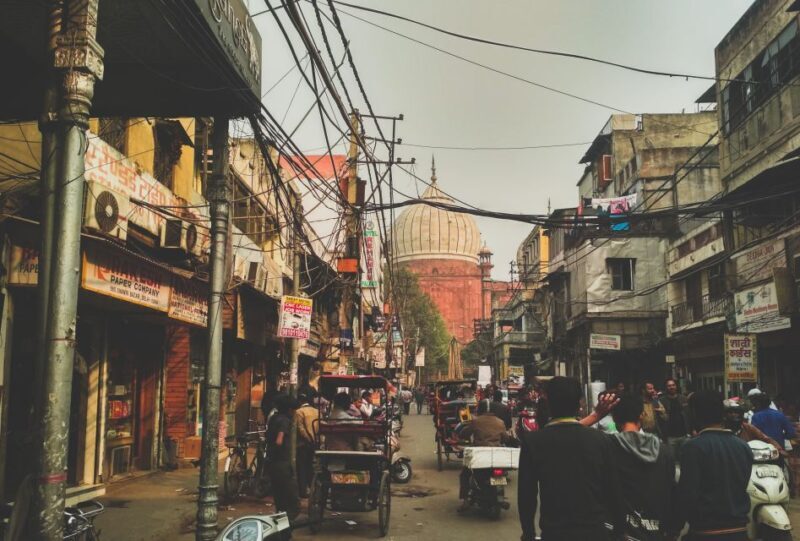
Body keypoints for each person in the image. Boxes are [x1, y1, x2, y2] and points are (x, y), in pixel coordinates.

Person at [518, 376, 624, 541]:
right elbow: (614, 491)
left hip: (555, 533)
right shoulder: (601, 440)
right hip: (595, 532)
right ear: (580, 404)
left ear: (548, 402)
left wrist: (528, 534)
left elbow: (526, 495)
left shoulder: (533, 442)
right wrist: (619, 531)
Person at [672, 390, 753, 540]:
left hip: (705, 532)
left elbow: (687, 494)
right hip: (739, 532)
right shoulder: (743, 447)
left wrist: (674, 529)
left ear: (695, 414)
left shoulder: (693, 448)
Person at [610, 393, 675, 541]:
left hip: (619, 532)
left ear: (614, 418)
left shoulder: (607, 447)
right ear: (641, 415)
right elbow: (671, 491)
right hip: (656, 531)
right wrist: (673, 530)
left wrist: (596, 415)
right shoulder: (664, 451)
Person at [457, 398, 510, 511]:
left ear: (480, 409)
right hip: (496, 456)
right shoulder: (500, 422)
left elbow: (465, 433)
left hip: (479, 455)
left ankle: (465, 500)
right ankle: (500, 496)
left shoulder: (476, 421)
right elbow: (505, 438)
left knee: (465, 474)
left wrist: (462, 434)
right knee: (500, 474)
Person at [266, 394, 300, 520]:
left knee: (280, 501)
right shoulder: (285, 421)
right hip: (282, 464)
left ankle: (281, 528)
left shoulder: (273, 418)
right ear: (289, 409)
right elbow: (279, 440)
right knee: (293, 503)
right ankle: (286, 527)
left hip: (273, 463)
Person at [294, 390, 319, 498]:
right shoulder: (316, 411)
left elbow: (300, 428)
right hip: (314, 442)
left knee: (302, 467)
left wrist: (308, 439)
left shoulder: (299, 412)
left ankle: (303, 491)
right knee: (310, 467)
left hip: (303, 444)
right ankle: (312, 488)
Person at [661, 379, 689, 461]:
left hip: (684, 434)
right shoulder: (662, 401)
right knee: (671, 460)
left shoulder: (683, 398)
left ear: (676, 386)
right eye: (669, 386)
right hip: (670, 436)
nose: (671, 387)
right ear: (666, 387)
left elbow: (689, 415)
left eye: (673, 385)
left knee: (685, 459)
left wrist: (692, 430)